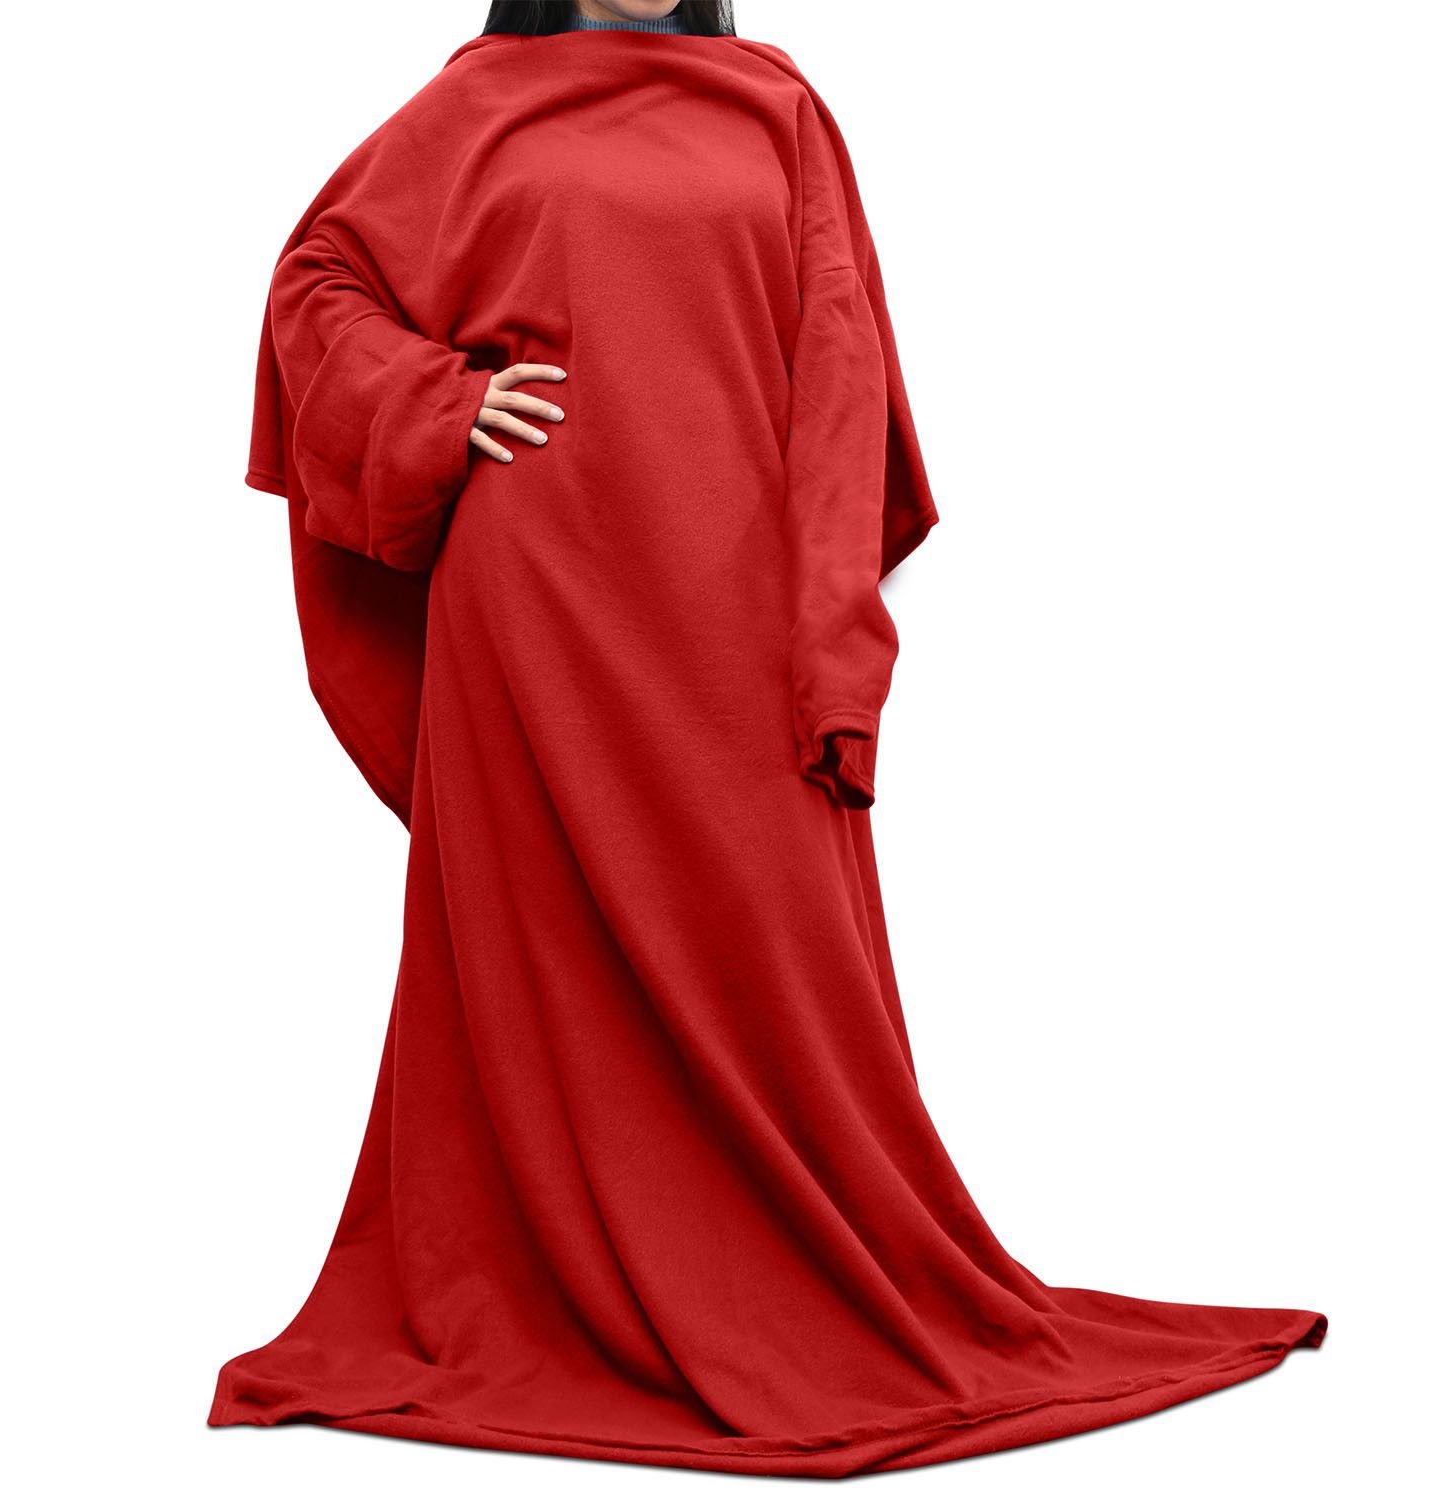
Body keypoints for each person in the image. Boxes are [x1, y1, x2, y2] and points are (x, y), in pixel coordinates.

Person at [209, 0, 1326, 1476]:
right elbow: (317, 284)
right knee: (548, 939)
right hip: (537, 595)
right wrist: (441, 401)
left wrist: (831, 628)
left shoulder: (774, 108)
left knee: (777, 943)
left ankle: (808, 1286)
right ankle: (563, 1291)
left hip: (735, 598)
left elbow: (841, 368)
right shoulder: (473, 106)